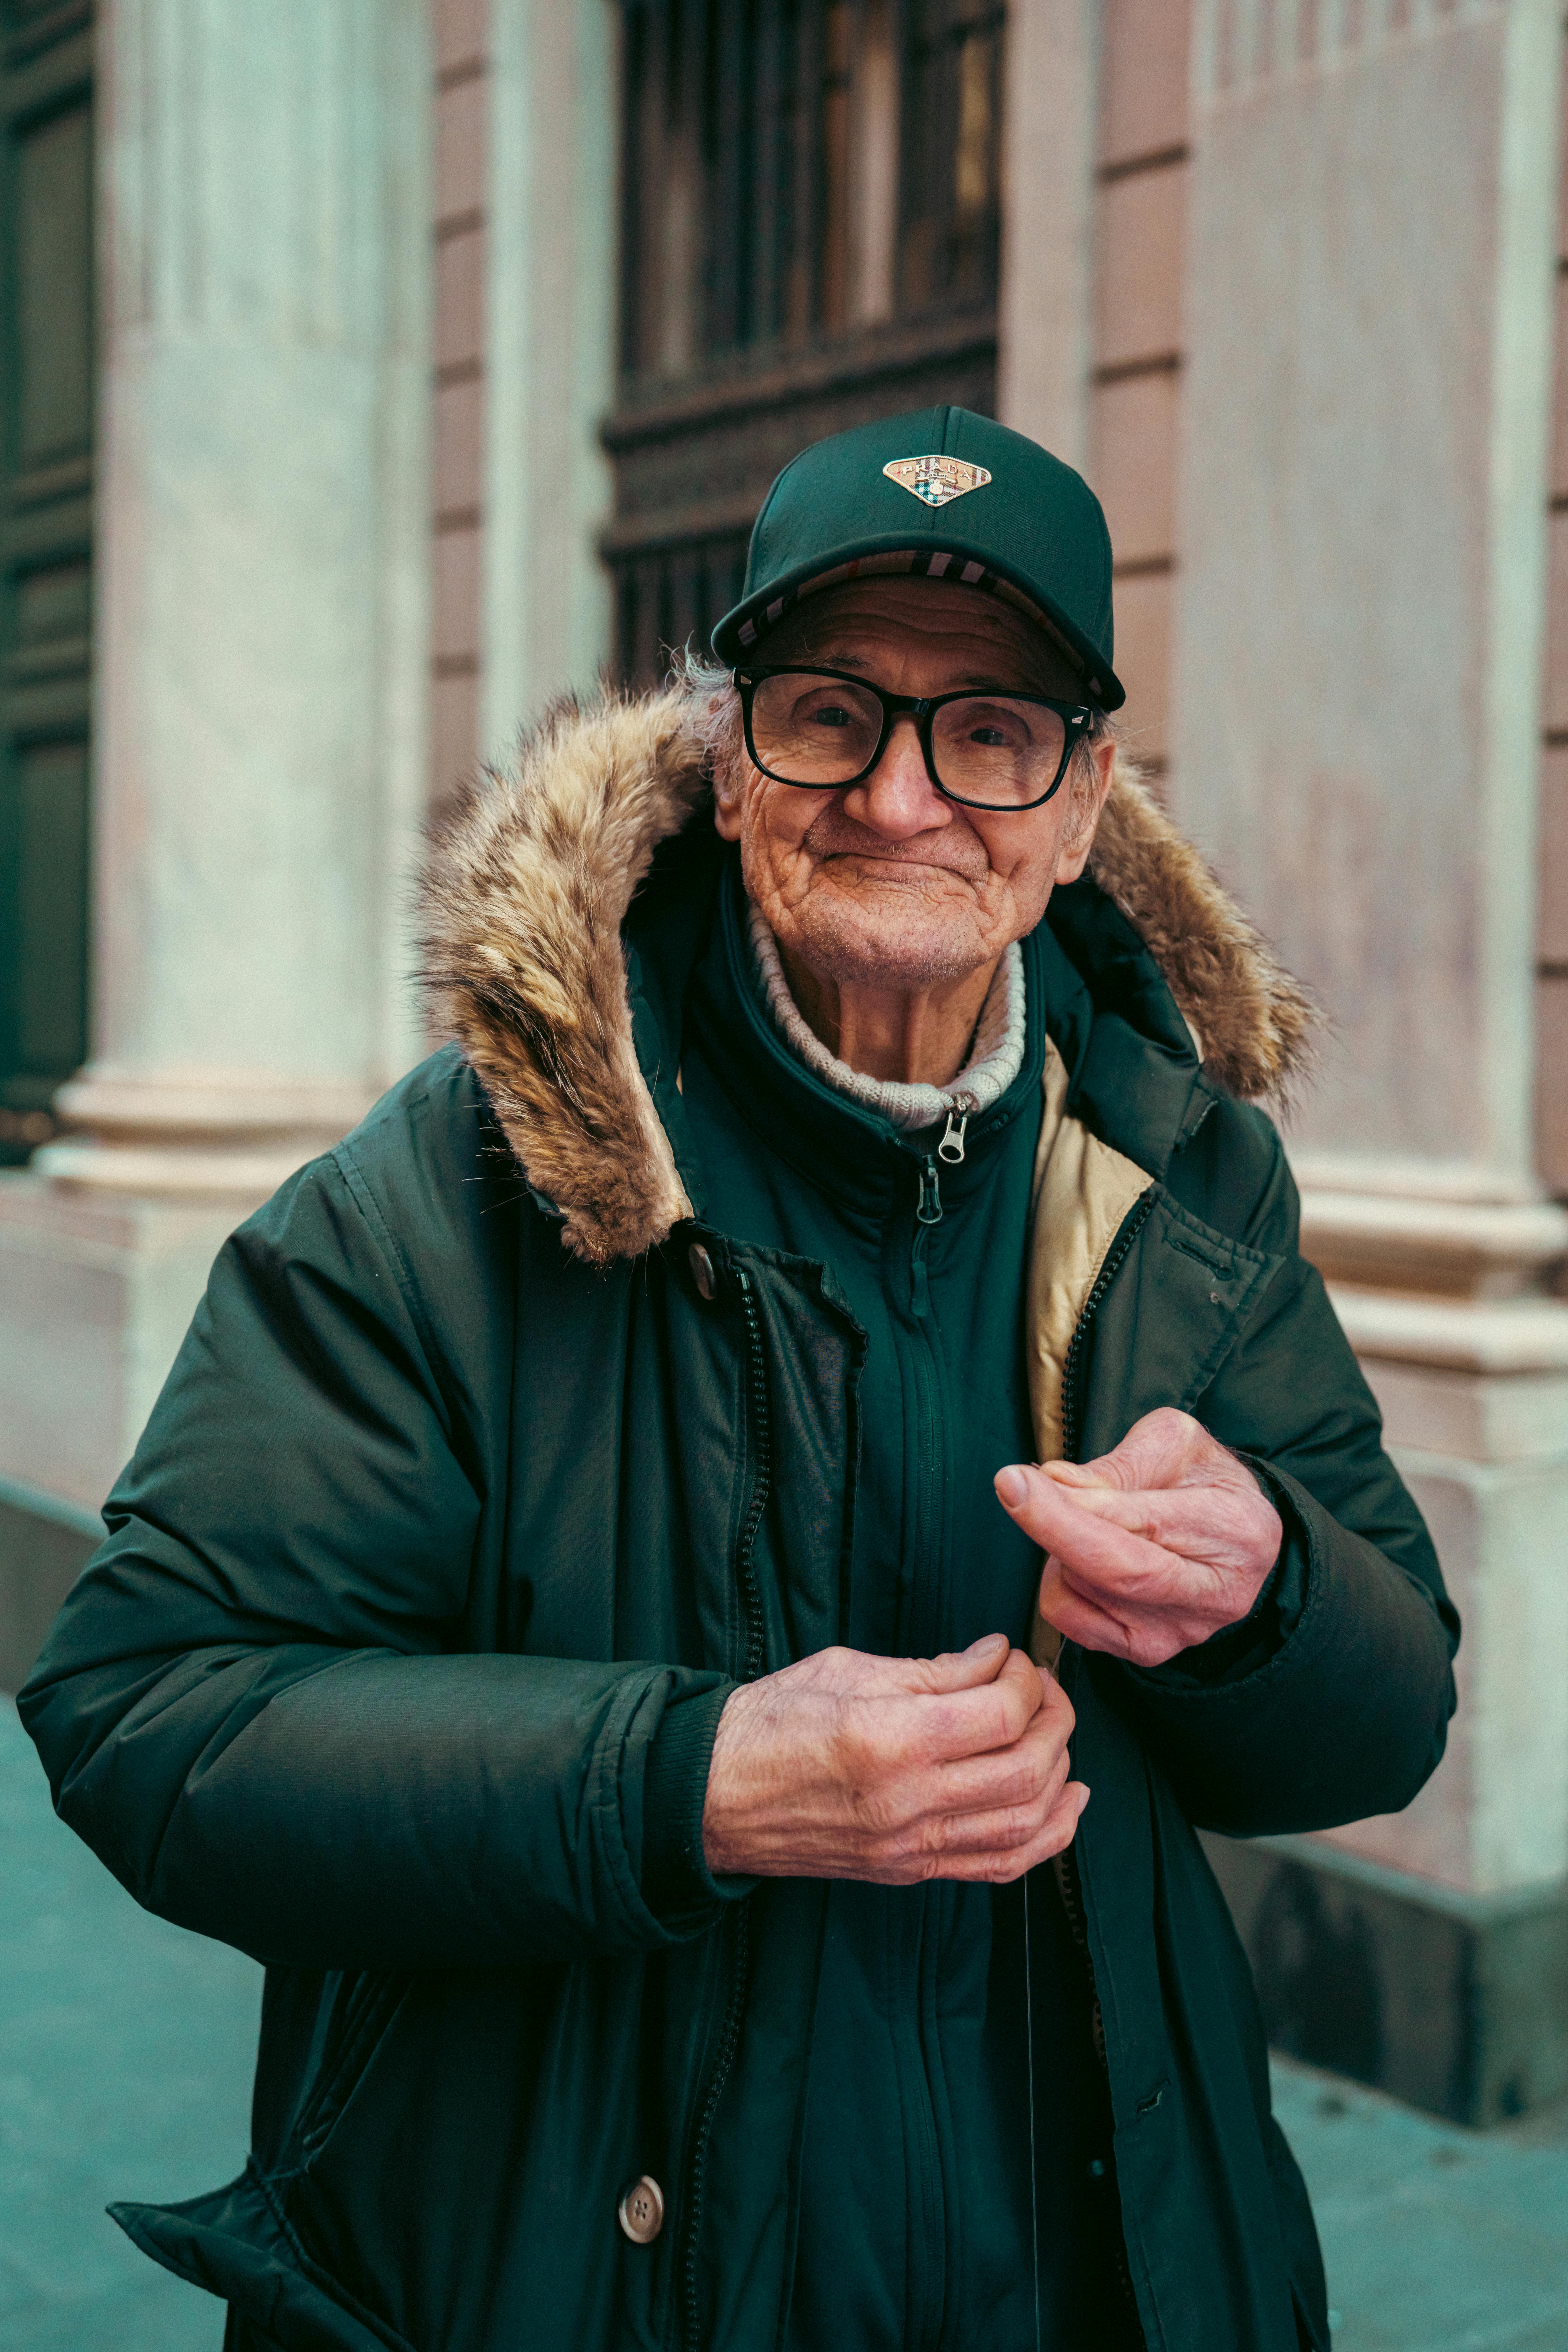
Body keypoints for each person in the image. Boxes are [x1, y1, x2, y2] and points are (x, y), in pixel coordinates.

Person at [21, 406, 1457, 2352]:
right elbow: (151, 1714)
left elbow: (1378, 1724)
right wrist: (688, 1782)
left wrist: (1262, 1594)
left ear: (1078, 794)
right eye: (830, 712)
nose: (897, 800)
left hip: (1092, 2272)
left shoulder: (1181, 1171)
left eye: (989, 731)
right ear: (727, 745)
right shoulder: (458, 1183)